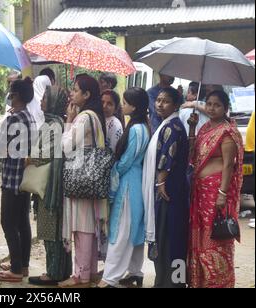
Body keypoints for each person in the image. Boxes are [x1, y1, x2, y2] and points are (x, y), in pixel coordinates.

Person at [188, 90, 244, 288]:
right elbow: (193, 154)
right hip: (200, 191)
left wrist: (222, 194)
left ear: (225, 108)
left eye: (217, 105)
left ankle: (218, 282)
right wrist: (192, 128)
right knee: (201, 236)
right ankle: (201, 281)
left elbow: (229, 165)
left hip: (215, 192)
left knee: (215, 236)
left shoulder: (227, 132)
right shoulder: (204, 128)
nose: (212, 108)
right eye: (209, 104)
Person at [97, 87, 150, 288]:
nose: (122, 106)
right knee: (134, 229)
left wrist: (113, 169)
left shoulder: (136, 129)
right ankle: (135, 272)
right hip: (136, 181)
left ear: (134, 106)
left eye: (126, 103)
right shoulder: (143, 126)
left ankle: (110, 277)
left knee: (120, 230)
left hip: (127, 182)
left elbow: (127, 160)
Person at [59, 75, 109, 288]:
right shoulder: (96, 116)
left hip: (80, 175)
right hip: (91, 175)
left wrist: (68, 121)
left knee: (82, 227)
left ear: (87, 95)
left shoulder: (82, 118)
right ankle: (89, 271)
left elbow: (66, 146)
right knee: (88, 224)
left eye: (76, 89)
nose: (72, 92)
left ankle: (81, 275)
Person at [0, 77, 37, 283]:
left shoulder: (13, 120)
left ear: (15, 96)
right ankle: (22, 265)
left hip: (12, 178)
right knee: (22, 223)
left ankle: (16, 269)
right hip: (25, 178)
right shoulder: (30, 117)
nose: (8, 95)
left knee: (8, 222)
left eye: (10, 91)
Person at [144, 88, 189, 288]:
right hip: (172, 188)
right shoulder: (169, 124)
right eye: (158, 100)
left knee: (170, 236)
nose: (160, 104)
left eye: (166, 101)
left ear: (176, 105)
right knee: (169, 236)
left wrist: (161, 183)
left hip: (169, 190)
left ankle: (173, 283)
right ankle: (165, 281)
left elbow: (166, 157)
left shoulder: (173, 127)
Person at [28, 85, 72, 286]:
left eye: (45, 98)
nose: (41, 101)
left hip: (50, 187)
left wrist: (28, 157)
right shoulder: (57, 123)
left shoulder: (53, 125)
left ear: (53, 101)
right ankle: (60, 271)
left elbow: (44, 153)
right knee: (55, 230)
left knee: (50, 230)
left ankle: (53, 273)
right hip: (54, 184)